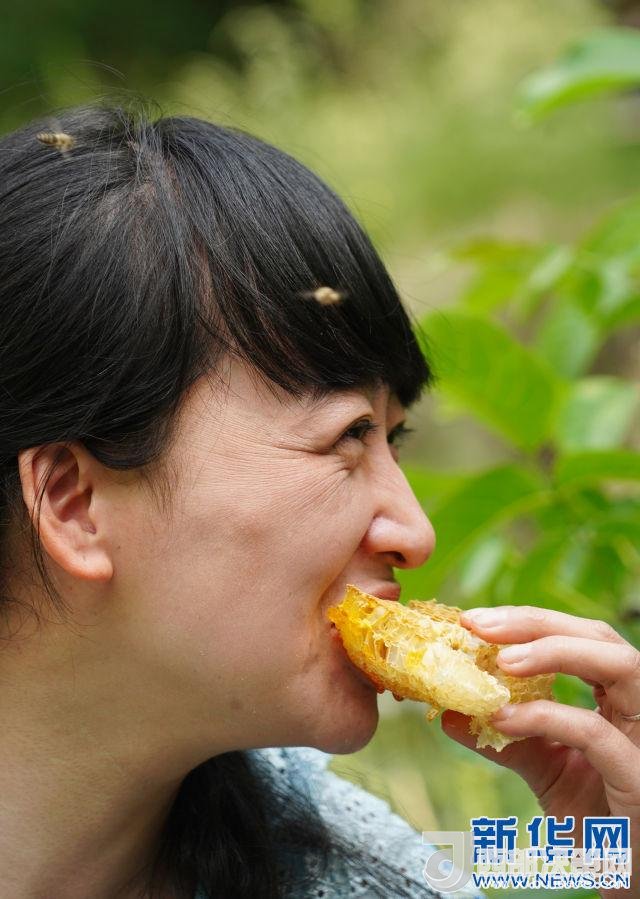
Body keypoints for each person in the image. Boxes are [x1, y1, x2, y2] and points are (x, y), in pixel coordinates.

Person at [0, 103, 636, 899]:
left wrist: (617, 862)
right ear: (72, 502)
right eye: (348, 434)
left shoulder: (380, 878)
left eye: (394, 438)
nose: (416, 533)